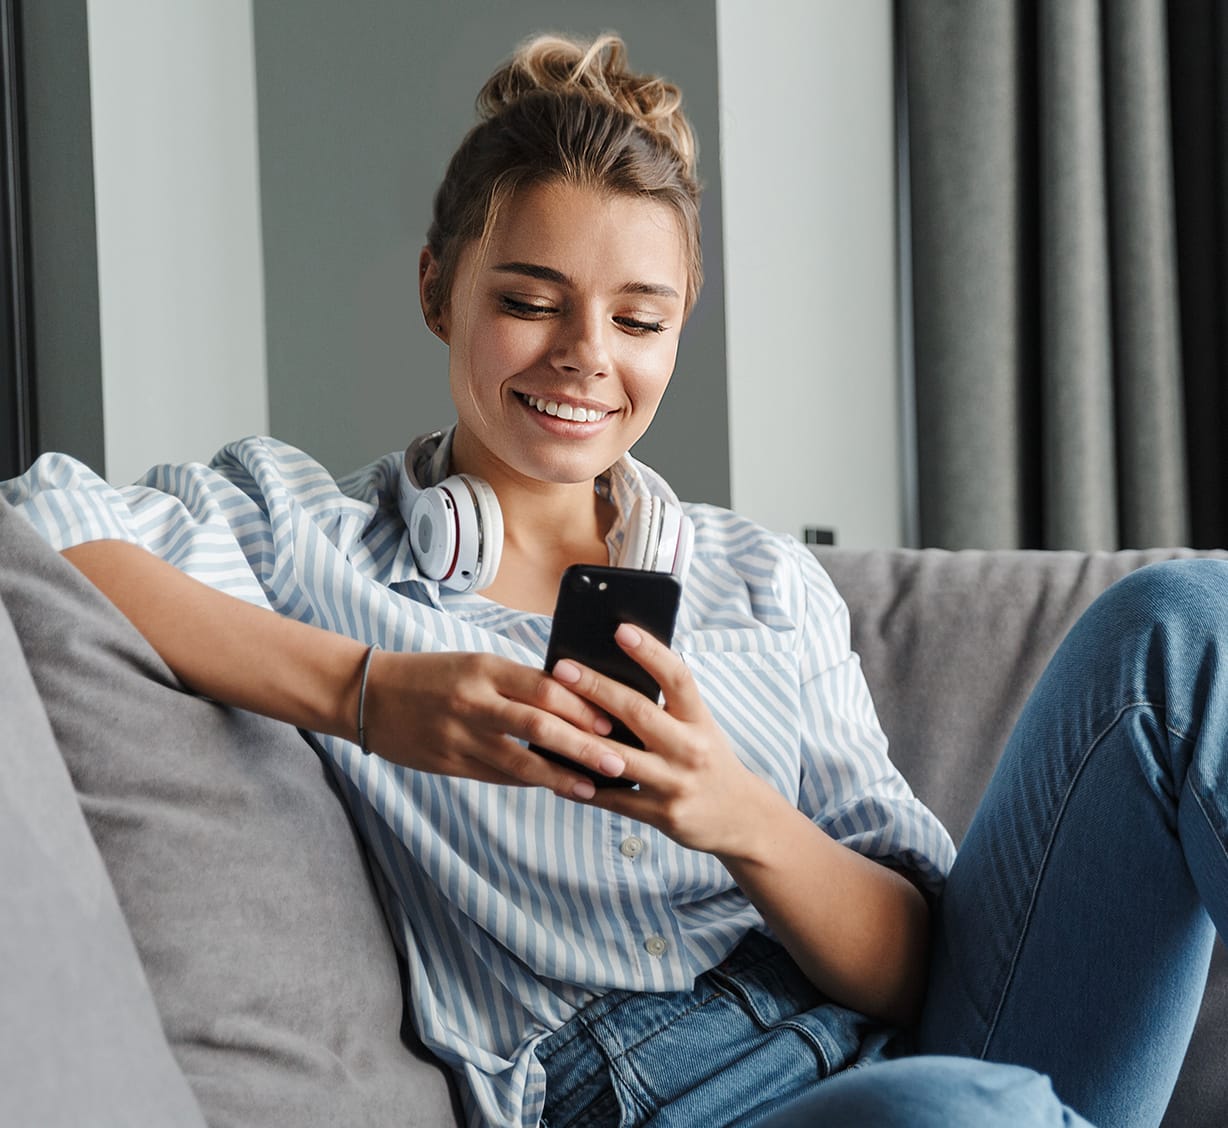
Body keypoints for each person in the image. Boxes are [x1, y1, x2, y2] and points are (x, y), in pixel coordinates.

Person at [3, 32, 1225, 1128]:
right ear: (437, 287)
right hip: (654, 1093)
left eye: (639, 322)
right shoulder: (307, 537)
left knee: (1185, 624)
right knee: (959, 1115)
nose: (586, 359)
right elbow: (45, 527)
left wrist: (736, 815)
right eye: (531, 302)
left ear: (682, 321)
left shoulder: (761, 583)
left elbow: (918, 965)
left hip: (918, 1043)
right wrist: (374, 690)